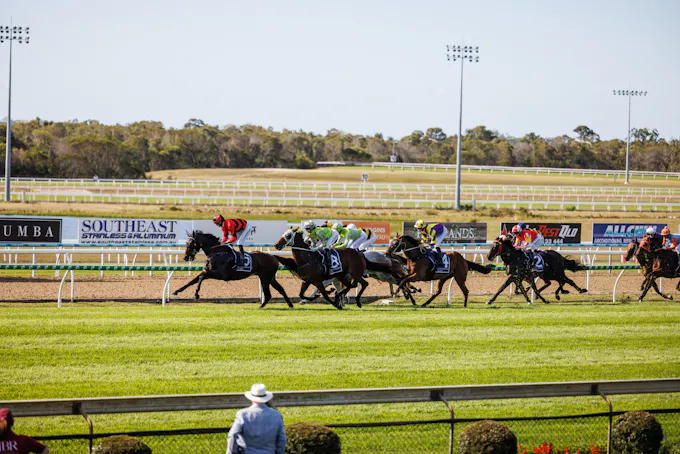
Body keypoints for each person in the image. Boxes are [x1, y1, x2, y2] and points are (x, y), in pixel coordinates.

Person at [226, 384, 286, 454]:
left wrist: (232, 451)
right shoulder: (276, 415)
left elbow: (233, 435)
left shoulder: (243, 414)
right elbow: (282, 439)